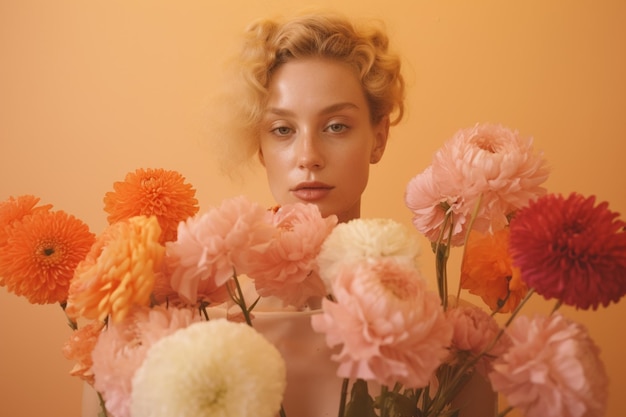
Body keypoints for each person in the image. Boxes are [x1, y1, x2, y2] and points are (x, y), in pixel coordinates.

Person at [212, 10, 405, 223]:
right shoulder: (223, 256)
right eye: (283, 130)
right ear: (260, 149)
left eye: (336, 127)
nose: (309, 158)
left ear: (379, 139)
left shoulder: (403, 255)